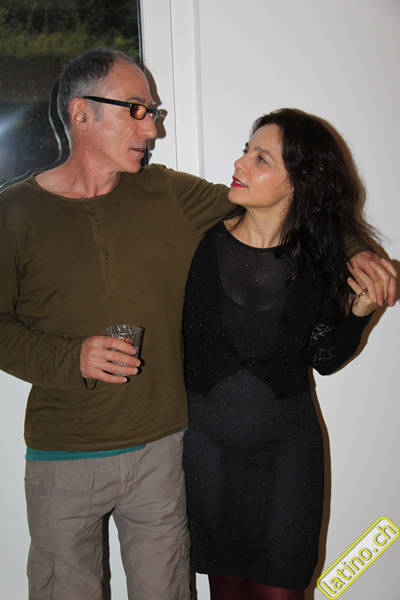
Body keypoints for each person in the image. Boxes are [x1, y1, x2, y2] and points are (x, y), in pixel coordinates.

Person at [0, 48, 395, 600]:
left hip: (163, 452)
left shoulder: (167, 193)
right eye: (137, 110)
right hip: (66, 451)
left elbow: (298, 203)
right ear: (82, 113)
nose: (153, 128)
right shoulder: (15, 212)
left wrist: (358, 251)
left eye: (153, 112)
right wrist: (72, 358)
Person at [182, 108, 394, 600]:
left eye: (261, 158)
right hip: (208, 455)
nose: (240, 163)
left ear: (298, 182)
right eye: (246, 150)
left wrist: (360, 312)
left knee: (282, 591)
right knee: (226, 593)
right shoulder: (199, 243)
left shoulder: (318, 259)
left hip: (287, 456)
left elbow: (325, 357)